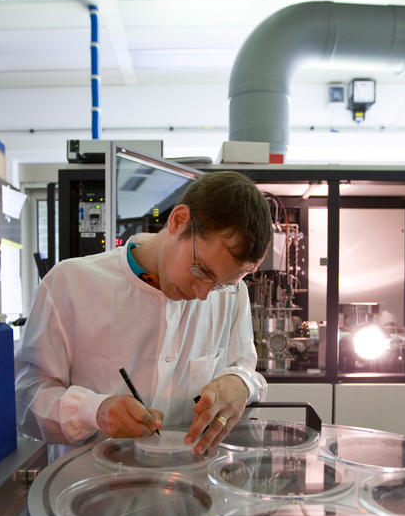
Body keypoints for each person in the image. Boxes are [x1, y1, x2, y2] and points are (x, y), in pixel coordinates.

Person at [15, 170, 272, 454]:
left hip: (189, 487)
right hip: (89, 488)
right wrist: (93, 410)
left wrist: (240, 384)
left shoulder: (232, 297)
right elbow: (25, 397)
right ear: (179, 221)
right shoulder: (68, 283)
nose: (202, 294)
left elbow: (244, 368)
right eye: (201, 271)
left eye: (221, 284)